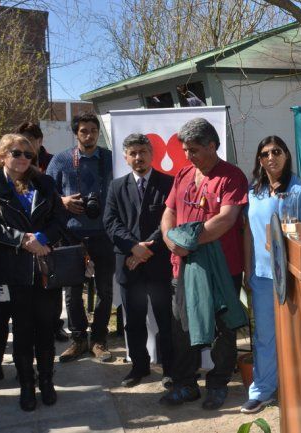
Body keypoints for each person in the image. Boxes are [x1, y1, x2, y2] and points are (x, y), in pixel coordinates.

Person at [159, 118, 248, 410]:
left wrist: (186, 243)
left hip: (223, 269)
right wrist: (169, 239)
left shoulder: (232, 176)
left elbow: (226, 220)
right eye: (186, 149)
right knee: (182, 328)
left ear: (212, 146)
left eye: (194, 150)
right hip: (183, 268)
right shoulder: (183, 173)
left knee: (223, 330)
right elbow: (169, 213)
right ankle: (186, 384)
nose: (188, 156)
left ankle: (218, 384)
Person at [0, 134, 66, 411]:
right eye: (17, 153)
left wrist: (43, 238)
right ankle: (27, 385)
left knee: (45, 329)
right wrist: (22, 239)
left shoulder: (44, 182)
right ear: (3, 154)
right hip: (11, 270)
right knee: (21, 332)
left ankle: (46, 381)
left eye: (28, 154)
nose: (23, 159)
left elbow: (59, 219)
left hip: (44, 270)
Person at [240, 136, 301, 414]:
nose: (271, 157)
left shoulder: (299, 190)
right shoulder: (253, 192)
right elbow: (248, 233)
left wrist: (294, 241)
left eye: (276, 152)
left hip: (292, 274)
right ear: (259, 161)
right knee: (265, 336)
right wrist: (248, 271)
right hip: (262, 277)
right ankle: (262, 390)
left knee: (298, 332)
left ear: (286, 155)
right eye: (264, 154)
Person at [103, 133, 174, 388]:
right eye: (132, 153)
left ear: (151, 154)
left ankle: (170, 368)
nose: (138, 157)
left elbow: (168, 221)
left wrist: (145, 250)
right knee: (133, 321)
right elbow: (111, 222)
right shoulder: (115, 186)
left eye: (142, 152)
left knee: (165, 319)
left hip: (158, 265)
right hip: (128, 266)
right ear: (125, 157)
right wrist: (133, 248)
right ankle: (139, 367)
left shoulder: (168, 183)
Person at [46, 112, 115, 363]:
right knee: (73, 291)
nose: (89, 135)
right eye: (84, 131)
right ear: (76, 133)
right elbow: (45, 193)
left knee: (105, 290)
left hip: (104, 233)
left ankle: (98, 340)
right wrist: (62, 200)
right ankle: (77, 339)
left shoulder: (110, 158)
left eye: (93, 131)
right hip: (70, 234)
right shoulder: (61, 160)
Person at [14, 121, 66, 343]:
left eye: (32, 140)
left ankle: (55, 325)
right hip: (19, 244)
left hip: (46, 240)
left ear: (40, 140)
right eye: (22, 141)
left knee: (51, 287)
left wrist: (42, 238)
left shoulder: (51, 162)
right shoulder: (8, 170)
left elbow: (58, 198)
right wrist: (24, 239)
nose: (27, 148)